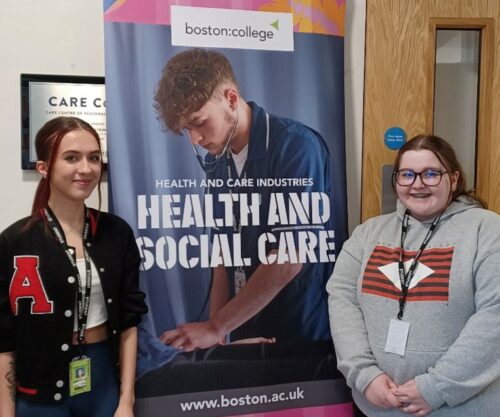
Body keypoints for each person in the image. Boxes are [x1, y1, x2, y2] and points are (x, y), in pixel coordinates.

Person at [154, 48, 335, 351]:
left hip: (297, 335)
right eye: (187, 129)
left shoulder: (295, 146)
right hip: (242, 328)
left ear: (231, 99)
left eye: (199, 122)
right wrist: (218, 338)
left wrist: (215, 326)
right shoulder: (219, 160)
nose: (195, 140)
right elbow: (224, 253)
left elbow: (288, 258)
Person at [327, 134, 500, 416]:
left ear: (453, 180)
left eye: (431, 174)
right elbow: (342, 300)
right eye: (407, 174)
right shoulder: (368, 234)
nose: (418, 184)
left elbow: (495, 316)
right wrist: (364, 374)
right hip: (378, 408)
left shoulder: (488, 230)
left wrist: (436, 388)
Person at [0, 117, 148, 417]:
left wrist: (126, 401)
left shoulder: (117, 234)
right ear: (43, 167)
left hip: (103, 379)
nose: (86, 168)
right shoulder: (15, 242)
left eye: (94, 158)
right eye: (71, 158)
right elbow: (5, 338)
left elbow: (130, 320)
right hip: (38, 392)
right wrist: (6, 411)